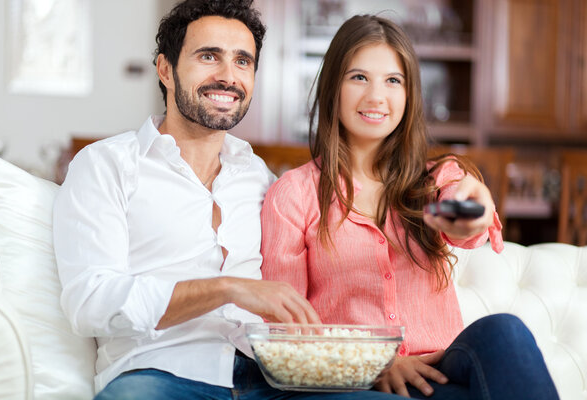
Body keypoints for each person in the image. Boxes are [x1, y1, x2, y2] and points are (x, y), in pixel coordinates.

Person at [53, 2, 409, 399]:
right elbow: (91, 302)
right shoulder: (107, 166)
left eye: (243, 61)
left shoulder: (264, 181)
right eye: (209, 56)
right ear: (165, 69)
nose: (227, 76)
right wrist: (225, 288)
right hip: (160, 374)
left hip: (275, 380)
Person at [260, 14, 559, 400]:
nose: (376, 97)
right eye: (358, 77)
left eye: (393, 80)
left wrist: (469, 214)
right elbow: (288, 333)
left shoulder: (431, 183)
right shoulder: (294, 194)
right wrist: (374, 364)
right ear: (333, 86)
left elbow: (458, 219)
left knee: (507, 330)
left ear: (409, 94)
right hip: (350, 386)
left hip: (438, 376)